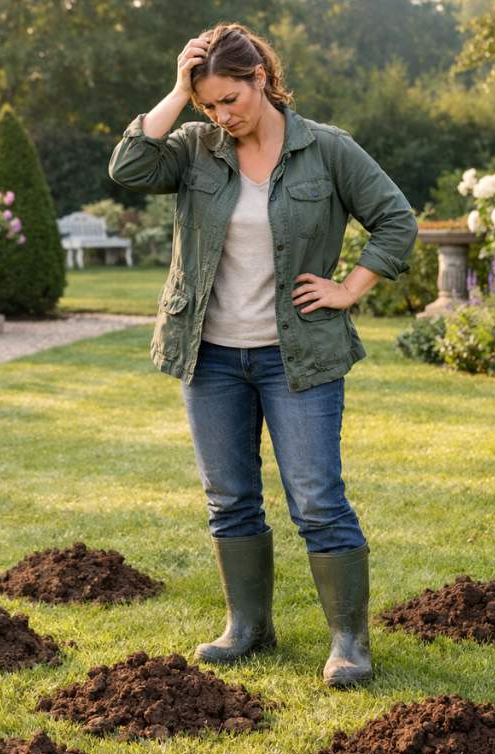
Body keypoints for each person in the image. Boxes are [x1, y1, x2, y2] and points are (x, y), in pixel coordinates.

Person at [109, 22, 418, 687]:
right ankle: (248, 627)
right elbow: (129, 165)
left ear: (262, 79)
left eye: (231, 99)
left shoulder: (328, 151)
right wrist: (176, 87)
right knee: (228, 498)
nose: (223, 115)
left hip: (296, 357)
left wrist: (349, 288)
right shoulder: (196, 149)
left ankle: (349, 643)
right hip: (211, 356)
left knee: (316, 498)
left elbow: (397, 218)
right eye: (210, 104)